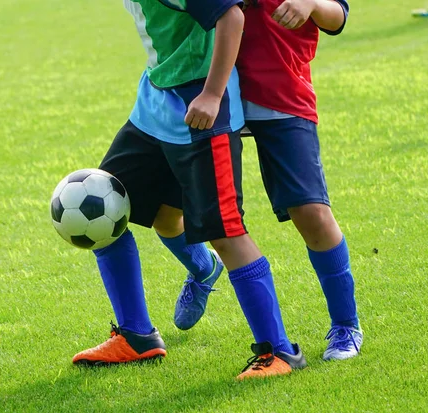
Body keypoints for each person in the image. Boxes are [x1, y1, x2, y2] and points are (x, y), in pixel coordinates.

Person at [71, 0, 307, 379]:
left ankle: (278, 351)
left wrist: (213, 94)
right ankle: (136, 335)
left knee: (225, 231)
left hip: (202, 109)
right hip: (156, 100)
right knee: (105, 204)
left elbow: (232, 16)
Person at [232, 0, 363, 361]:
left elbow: (338, 17)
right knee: (186, 206)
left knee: (311, 213)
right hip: (212, 92)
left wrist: (310, 4)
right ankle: (201, 268)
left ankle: (346, 325)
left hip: (282, 95)